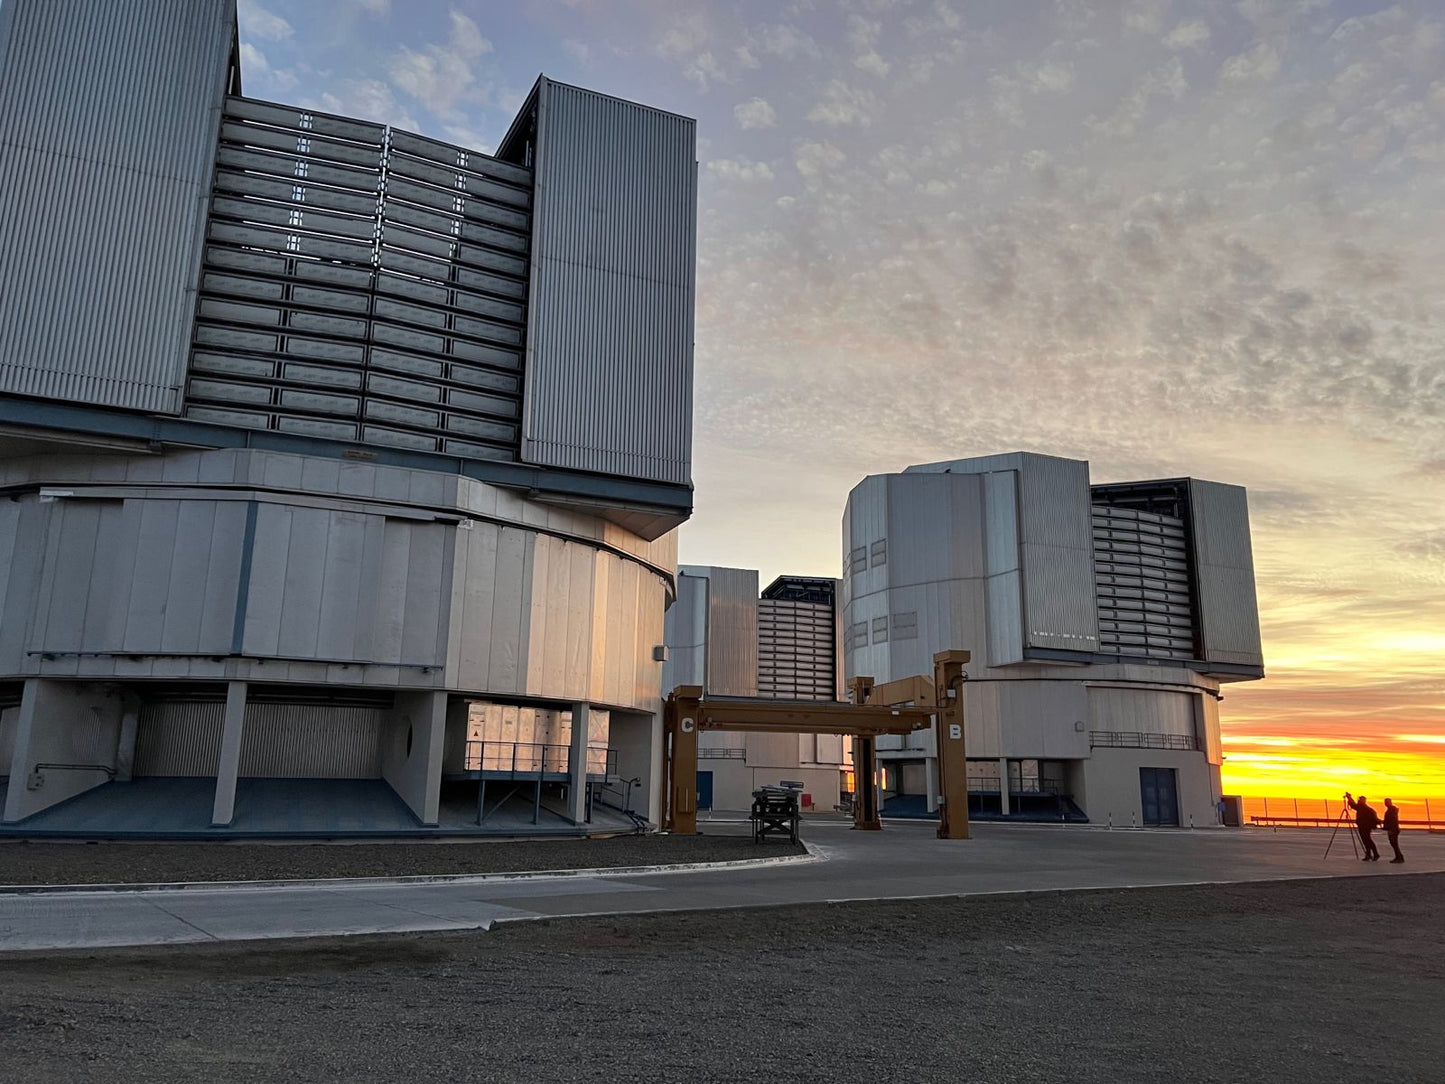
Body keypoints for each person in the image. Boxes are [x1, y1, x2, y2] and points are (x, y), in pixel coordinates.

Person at [1344, 792, 1381, 861]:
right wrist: (1349, 798)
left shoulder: (1363, 807)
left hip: (1365, 827)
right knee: (1366, 841)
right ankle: (1369, 855)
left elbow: (1353, 805)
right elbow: (1353, 805)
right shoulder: (1362, 807)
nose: (1359, 800)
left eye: (1360, 799)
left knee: (1367, 840)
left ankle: (1375, 854)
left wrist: (1349, 797)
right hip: (1363, 826)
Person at [1383, 798, 1404, 863]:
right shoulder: (1390, 810)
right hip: (1392, 829)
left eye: (1387, 802)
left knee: (1394, 844)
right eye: (1385, 802)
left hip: (1393, 829)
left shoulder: (1392, 810)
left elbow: (1392, 820)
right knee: (1393, 844)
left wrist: (1390, 829)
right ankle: (1399, 856)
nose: (1386, 804)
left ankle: (1399, 857)